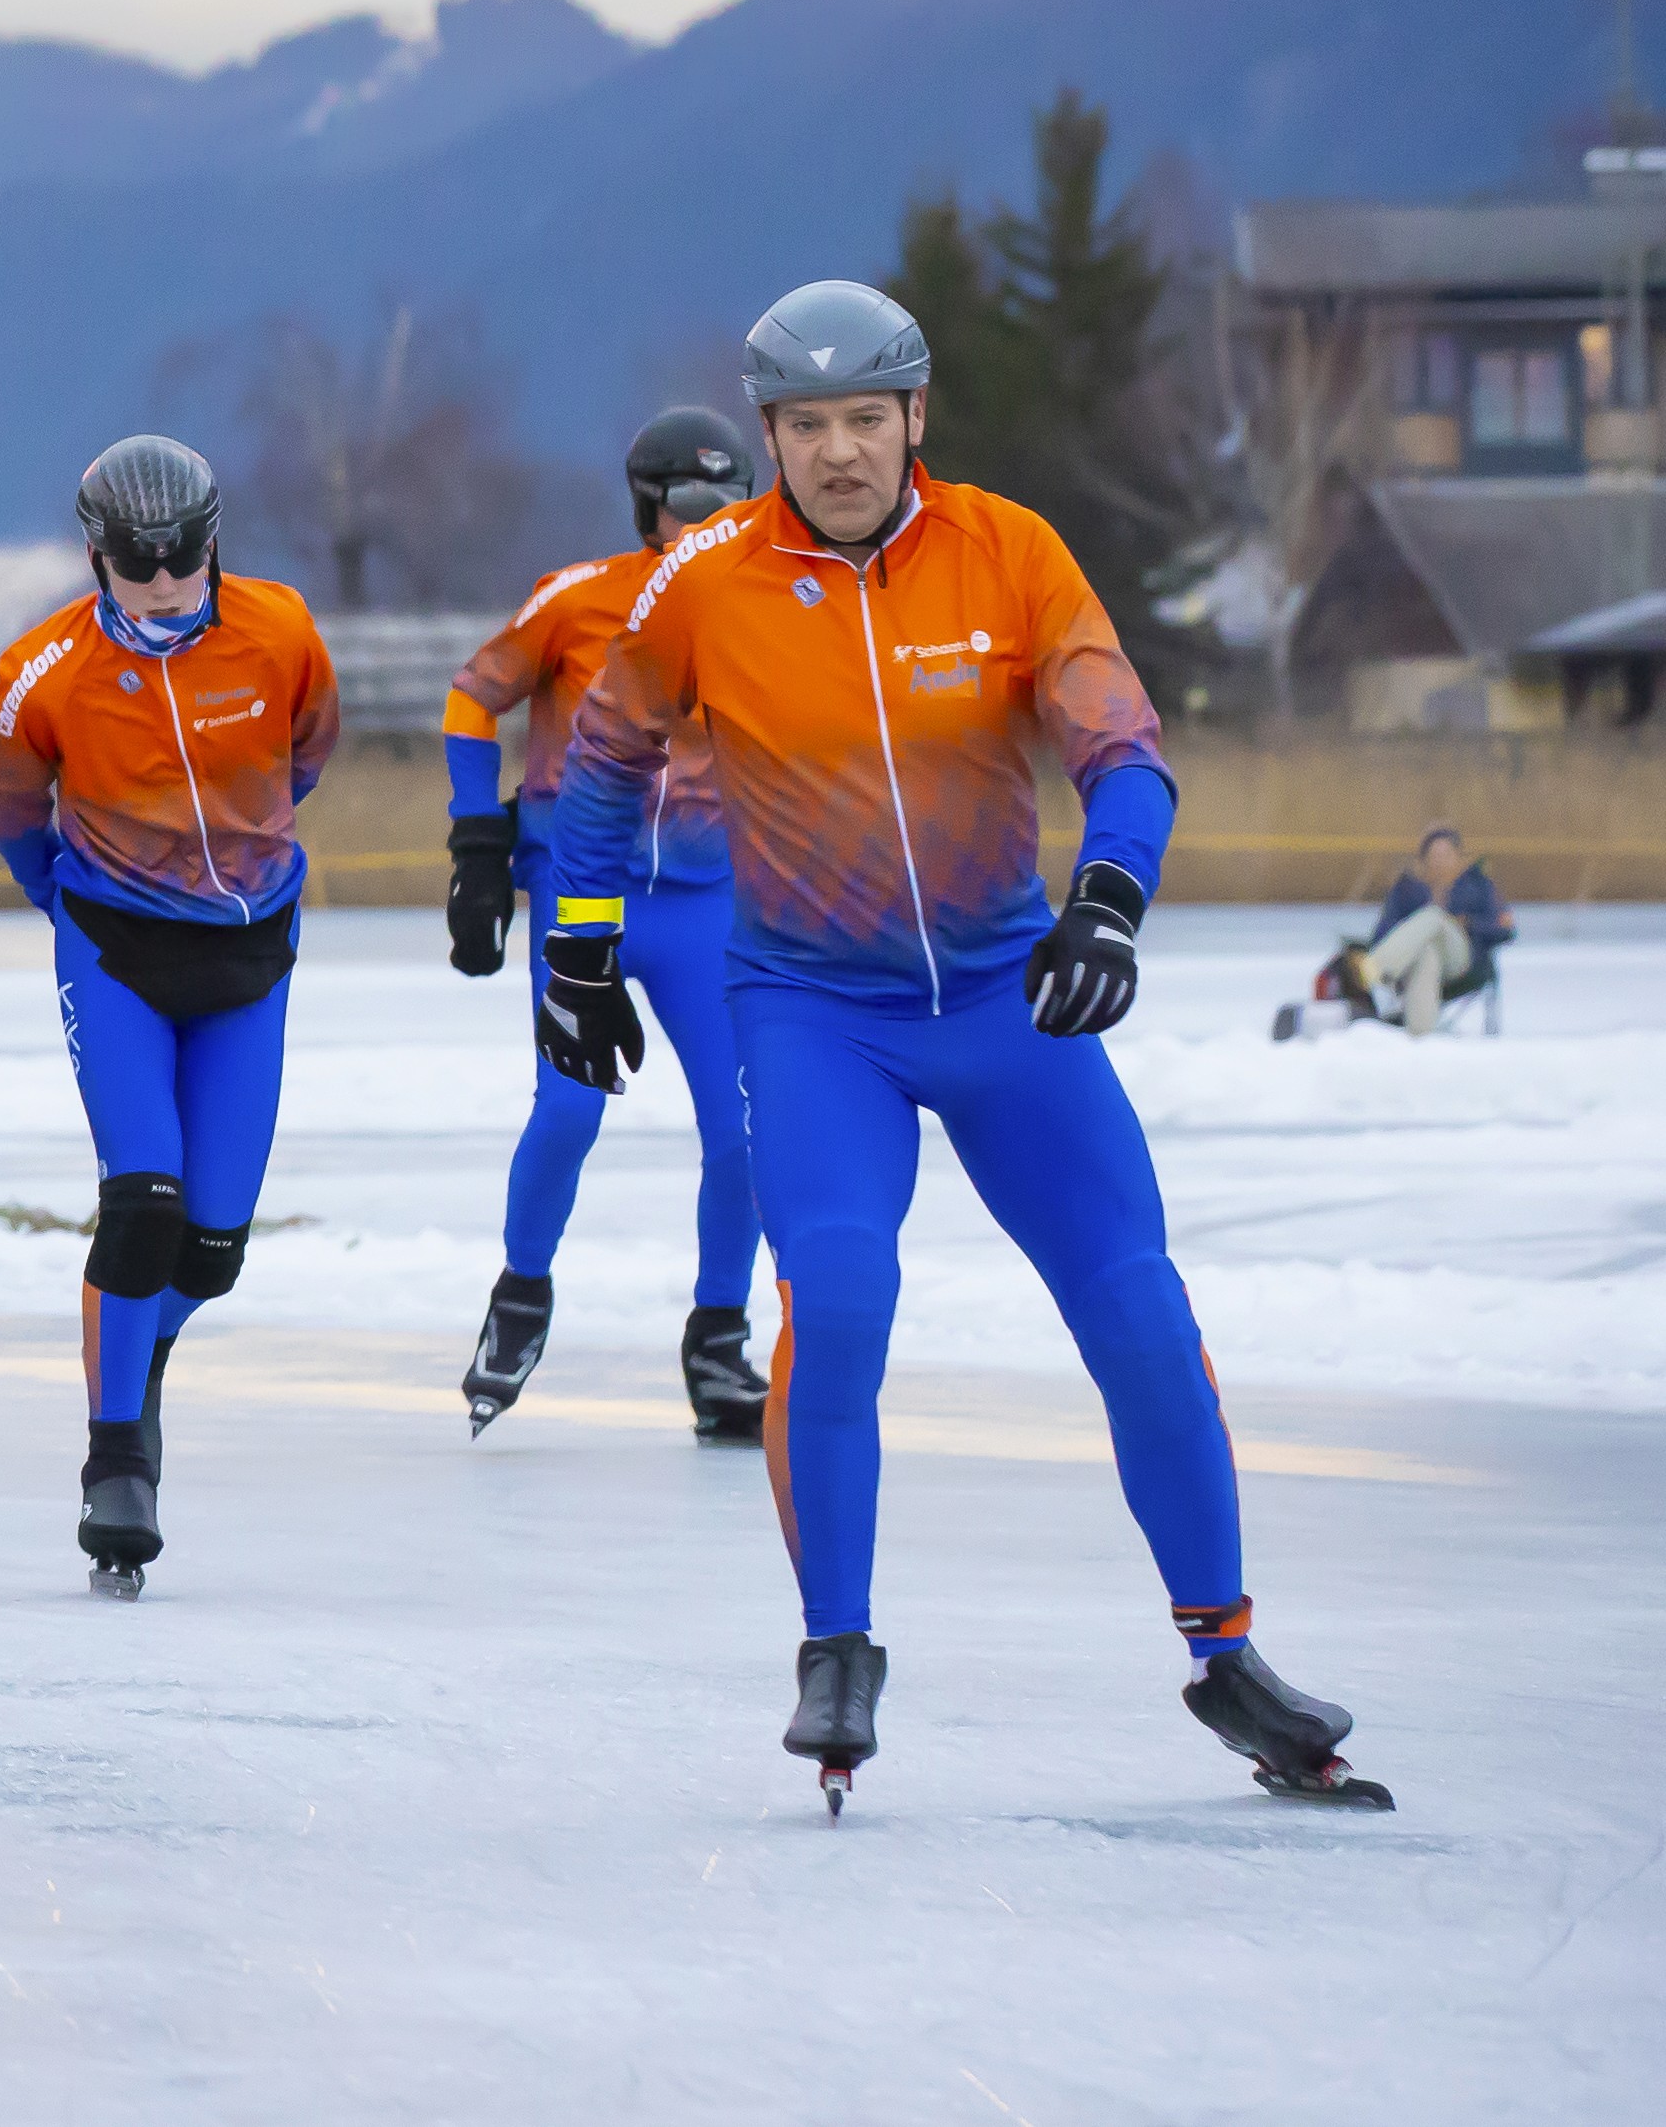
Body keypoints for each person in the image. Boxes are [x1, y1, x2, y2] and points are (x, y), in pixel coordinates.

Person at [544, 279, 1385, 1815]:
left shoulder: (1011, 552)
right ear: (769, 436)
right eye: (806, 427)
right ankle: (837, 1648)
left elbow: (1121, 750)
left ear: (915, 416)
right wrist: (578, 944)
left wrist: (1108, 905)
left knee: (1136, 1306)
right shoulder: (703, 583)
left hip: (1007, 1001)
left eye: (866, 419)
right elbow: (599, 771)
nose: (840, 453)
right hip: (811, 1015)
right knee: (841, 1292)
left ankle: (1225, 1651)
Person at [0, 436, 339, 1599]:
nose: (167, 583)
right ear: (98, 557)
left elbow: (311, 746)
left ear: (214, 537)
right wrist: (75, 909)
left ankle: (149, 1342)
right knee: (142, 1205)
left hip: (248, 953)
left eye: (184, 559)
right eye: (139, 568)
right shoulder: (44, 669)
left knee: (213, 1248)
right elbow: (8, 809)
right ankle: (116, 1453)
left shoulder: (280, 631)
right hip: (116, 952)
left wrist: (240, 845)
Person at [440, 407, 767, 1443]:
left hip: (707, 899)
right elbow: (469, 697)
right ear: (647, 508)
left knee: (748, 1126)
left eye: (728, 508)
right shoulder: (578, 600)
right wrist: (477, 846)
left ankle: (719, 1336)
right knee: (572, 1109)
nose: (704, 527)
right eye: (686, 509)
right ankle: (523, 1291)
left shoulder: (761, 610)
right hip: (585, 894)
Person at [1338, 826, 1510, 1034]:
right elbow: (1383, 931)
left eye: (1446, 854)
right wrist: (1409, 932)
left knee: (1434, 916)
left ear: (1459, 857)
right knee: (1427, 954)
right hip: (1410, 960)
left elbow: (1504, 929)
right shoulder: (1407, 890)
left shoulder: (1478, 886)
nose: (1440, 861)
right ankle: (1420, 1036)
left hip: (1463, 960)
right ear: (1424, 859)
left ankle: (1373, 969)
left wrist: (1468, 924)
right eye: (1434, 855)